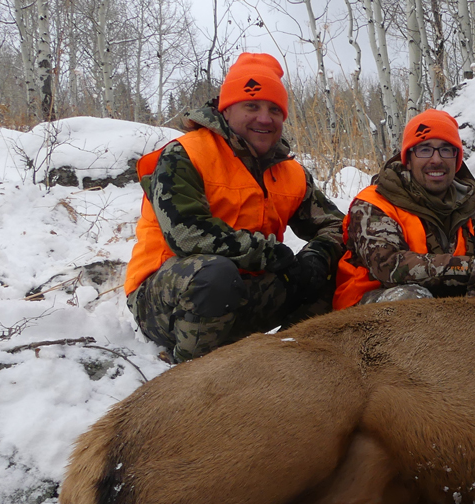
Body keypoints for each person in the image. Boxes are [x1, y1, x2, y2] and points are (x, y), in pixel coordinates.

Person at [124, 52, 345, 363]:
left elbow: (337, 227)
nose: (264, 118)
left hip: (243, 291)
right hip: (169, 298)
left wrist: (317, 257)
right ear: (226, 110)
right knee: (214, 275)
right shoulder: (184, 155)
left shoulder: (291, 174)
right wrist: (270, 254)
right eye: (251, 106)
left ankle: (294, 363)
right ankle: (192, 375)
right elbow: (187, 234)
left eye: (274, 109)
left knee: (329, 271)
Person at [334, 109, 475, 308]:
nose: (436, 160)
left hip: (441, 316)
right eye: (425, 149)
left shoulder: (468, 208)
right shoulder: (374, 205)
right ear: (408, 159)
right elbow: (389, 266)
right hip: (367, 311)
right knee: (411, 299)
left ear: (456, 159)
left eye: (446, 149)